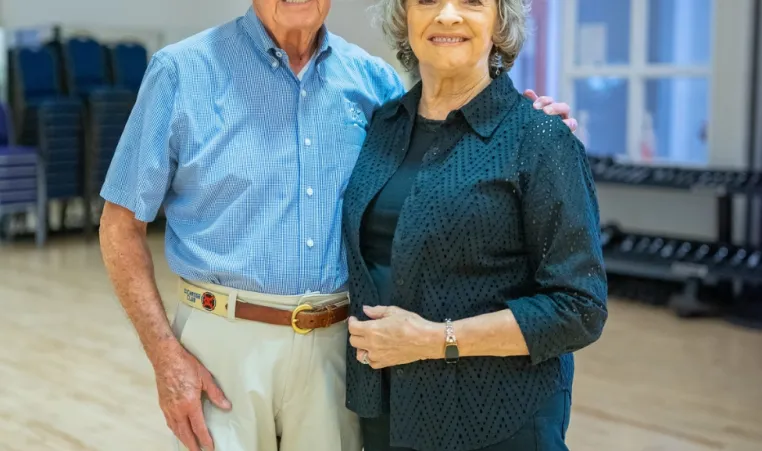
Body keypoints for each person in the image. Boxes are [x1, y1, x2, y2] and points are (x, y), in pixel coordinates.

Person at [98, 1, 576, 450]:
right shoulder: (180, 71)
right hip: (221, 344)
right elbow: (120, 225)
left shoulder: (373, 83)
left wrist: (531, 126)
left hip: (339, 347)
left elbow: (452, 135)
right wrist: (165, 356)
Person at [343, 1, 608, 450]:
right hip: (385, 412)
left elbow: (579, 309)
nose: (447, 15)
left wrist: (432, 340)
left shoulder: (539, 139)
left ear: (499, 23)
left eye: (472, 2)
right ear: (404, 16)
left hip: (497, 420)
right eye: (427, 0)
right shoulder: (382, 126)